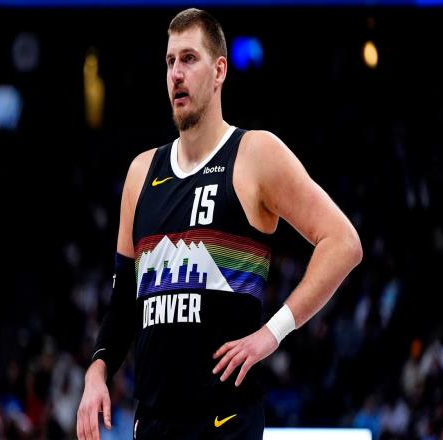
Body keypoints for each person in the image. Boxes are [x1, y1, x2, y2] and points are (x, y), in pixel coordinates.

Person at [77, 8, 362, 440]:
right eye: (170, 61)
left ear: (219, 71)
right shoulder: (141, 173)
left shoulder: (255, 154)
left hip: (226, 420)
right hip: (153, 421)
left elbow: (343, 242)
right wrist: (97, 370)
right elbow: (122, 302)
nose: (176, 73)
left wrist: (272, 333)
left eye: (189, 59)